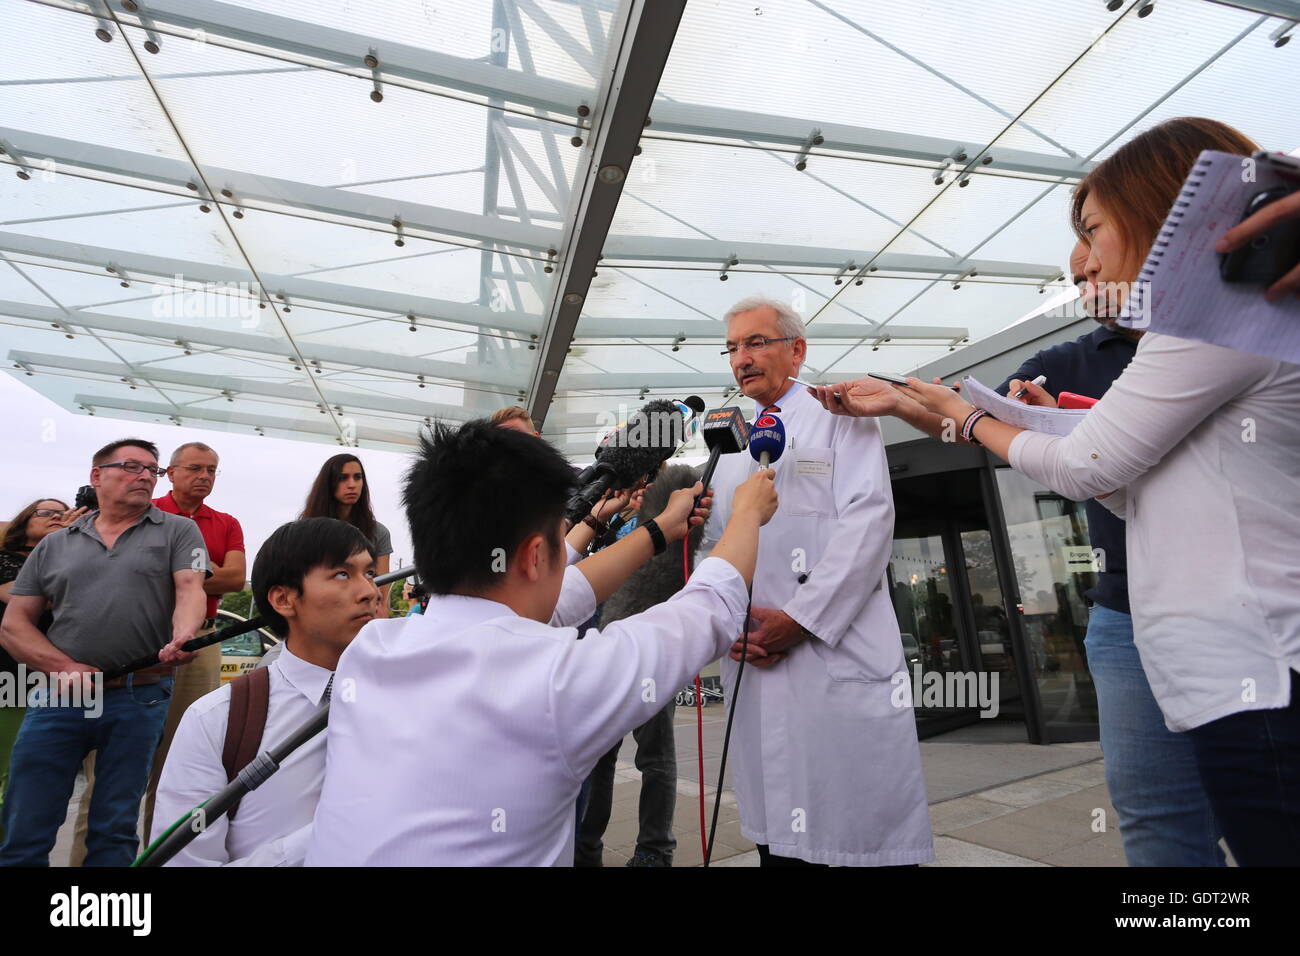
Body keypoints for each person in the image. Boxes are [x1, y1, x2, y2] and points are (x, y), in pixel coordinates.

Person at [813, 118, 1300, 866]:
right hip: (1192, 645)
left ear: (1157, 210)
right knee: (1171, 822)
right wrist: (941, 410)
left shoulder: (1218, 315)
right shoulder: (1140, 340)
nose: (1087, 261)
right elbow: (1119, 471)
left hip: (1251, 660)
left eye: (1096, 230)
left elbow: (1087, 465)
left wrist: (972, 418)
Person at [306, 420, 777, 866]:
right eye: (560, 539)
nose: (566, 550)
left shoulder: (369, 649)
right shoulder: (555, 681)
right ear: (535, 556)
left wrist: (656, 531)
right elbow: (709, 606)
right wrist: (748, 513)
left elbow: (544, 599)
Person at [697, 295, 934, 867]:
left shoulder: (841, 416)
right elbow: (716, 549)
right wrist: (722, 623)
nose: (741, 359)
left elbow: (869, 523)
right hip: (754, 661)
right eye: (732, 348)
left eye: (755, 343)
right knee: (778, 842)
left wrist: (800, 620)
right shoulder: (728, 450)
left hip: (831, 655)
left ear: (796, 350)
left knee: (854, 837)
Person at [0, 439, 207, 866]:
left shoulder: (179, 531)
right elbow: (14, 625)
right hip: (62, 694)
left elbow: (191, 588)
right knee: (25, 823)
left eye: (153, 470)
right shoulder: (53, 546)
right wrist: (64, 667)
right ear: (97, 477)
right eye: (132, 466)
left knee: (114, 828)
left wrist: (183, 635)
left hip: (141, 692)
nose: (146, 475)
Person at [149, 518, 377, 866]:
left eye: (370, 573)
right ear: (284, 599)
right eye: (343, 575)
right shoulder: (217, 719)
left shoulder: (409, 703)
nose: (370, 592)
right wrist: (338, 830)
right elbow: (183, 861)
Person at [69, 440, 248, 863]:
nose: (204, 477)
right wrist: (196, 572)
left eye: (212, 470)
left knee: (179, 767)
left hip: (199, 644)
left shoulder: (226, 522)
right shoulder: (143, 509)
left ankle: (158, 860)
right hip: (138, 644)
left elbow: (237, 580)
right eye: (195, 468)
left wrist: (173, 570)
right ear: (171, 471)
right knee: (109, 771)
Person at [574, 464, 699, 868]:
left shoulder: (673, 498)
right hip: (606, 643)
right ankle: (588, 847)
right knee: (602, 755)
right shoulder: (612, 514)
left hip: (648, 648)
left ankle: (653, 850)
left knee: (653, 755)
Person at [0, 498, 78, 840]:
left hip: (53, 675)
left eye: (62, 514)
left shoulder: (67, 556)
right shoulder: (5, 558)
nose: (56, 518)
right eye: (46, 513)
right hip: (9, 674)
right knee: (7, 763)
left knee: (32, 771)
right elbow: (22, 598)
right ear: (24, 520)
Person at [301, 454, 393, 616]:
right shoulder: (306, 531)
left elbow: (382, 593)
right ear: (328, 484)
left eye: (357, 477)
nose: (352, 485)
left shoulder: (378, 532)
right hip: (321, 616)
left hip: (365, 618)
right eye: (343, 478)